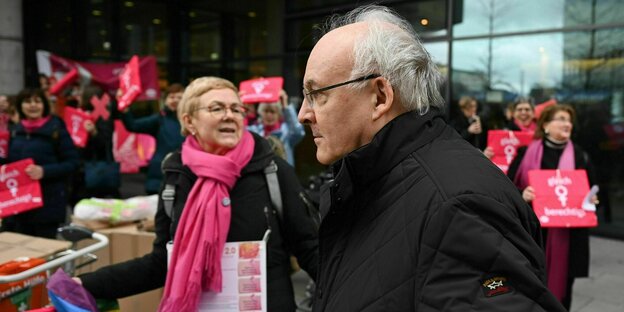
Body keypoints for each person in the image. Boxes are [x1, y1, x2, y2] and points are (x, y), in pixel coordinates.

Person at [296, 5, 565, 311]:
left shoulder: (457, 206)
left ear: (380, 97)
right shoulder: (364, 182)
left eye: (317, 94)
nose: (304, 114)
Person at [76, 77, 319, 311]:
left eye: (236, 109)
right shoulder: (176, 179)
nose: (229, 115)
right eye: (217, 108)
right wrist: (86, 283)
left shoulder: (272, 170)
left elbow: (309, 248)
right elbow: (162, 263)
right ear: (189, 121)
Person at [507, 104, 598, 310]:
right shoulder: (526, 153)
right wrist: (522, 195)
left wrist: (592, 201)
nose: (567, 124)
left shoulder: (580, 155)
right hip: (535, 235)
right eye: (562, 119)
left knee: (564, 290)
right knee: (530, 285)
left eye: (569, 120)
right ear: (546, 125)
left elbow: (593, 191)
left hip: (569, 239)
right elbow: (507, 190)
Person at [0, 88, 80, 238]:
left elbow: (73, 163)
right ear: (20, 106)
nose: (32, 105)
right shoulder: (15, 131)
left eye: (37, 101)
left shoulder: (57, 129)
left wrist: (44, 171)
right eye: (27, 101)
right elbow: (9, 160)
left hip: (48, 204)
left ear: (44, 104)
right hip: (18, 204)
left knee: (43, 252)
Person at [120, 83, 185, 194]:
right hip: (160, 173)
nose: (175, 100)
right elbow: (133, 125)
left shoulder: (193, 122)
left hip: (184, 173)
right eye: (171, 97)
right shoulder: (159, 119)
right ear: (165, 100)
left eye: (179, 97)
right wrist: (125, 108)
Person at [248, 90, 306, 166]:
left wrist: (285, 106)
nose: (269, 115)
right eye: (266, 111)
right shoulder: (255, 131)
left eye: (272, 112)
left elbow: (298, 132)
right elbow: (241, 133)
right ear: (261, 113)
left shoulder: (286, 132)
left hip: (283, 174)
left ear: (279, 114)